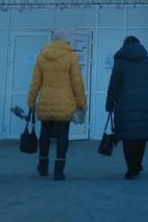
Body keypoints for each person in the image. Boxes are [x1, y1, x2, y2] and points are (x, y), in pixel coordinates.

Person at [27, 28, 87, 181]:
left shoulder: (42, 56)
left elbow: (35, 82)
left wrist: (31, 101)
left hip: (46, 101)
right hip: (65, 103)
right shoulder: (71, 56)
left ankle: (43, 166)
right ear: (65, 40)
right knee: (63, 136)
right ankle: (59, 170)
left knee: (45, 134)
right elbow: (77, 82)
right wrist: (82, 102)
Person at [106, 36, 148, 179]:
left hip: (125, 107)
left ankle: (131, 169)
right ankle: (137, 165)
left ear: (125, 46)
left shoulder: (120, 63)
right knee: (141, 137)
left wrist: (109, 104)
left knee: (128, 138)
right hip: (146, 106)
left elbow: (113, 86)